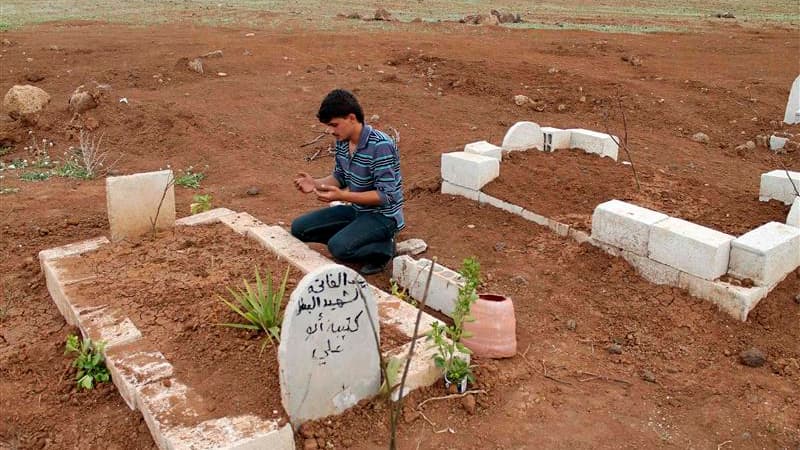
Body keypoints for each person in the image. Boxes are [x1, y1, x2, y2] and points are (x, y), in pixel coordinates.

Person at [291, 89, 404, 275]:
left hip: (383, 216)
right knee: (299, 229)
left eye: (334, 125)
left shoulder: (380, 145)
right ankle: (355, 234)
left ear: (352, 118)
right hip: (357, 210)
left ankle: (384, 249)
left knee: (339, 249)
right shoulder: (343, 142)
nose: (331, 131)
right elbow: (340, 177)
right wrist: (315, 183)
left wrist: (343, 196)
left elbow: (387, 195)